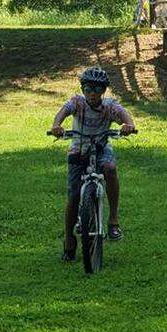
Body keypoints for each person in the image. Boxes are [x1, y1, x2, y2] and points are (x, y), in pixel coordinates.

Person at [49, 65, 136, 261]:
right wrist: (57, 126)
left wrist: (127, 125)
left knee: (110, 168)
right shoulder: (77, 103)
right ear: (82, 89)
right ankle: (69, 239)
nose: (92, 93)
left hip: (101, 148)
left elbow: (123, 114)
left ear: (104, 91)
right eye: (88, 88)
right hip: (78, 150)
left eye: (97, 89)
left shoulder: (109, 106)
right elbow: (63, 112)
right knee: (73, 197)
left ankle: (113, 220)